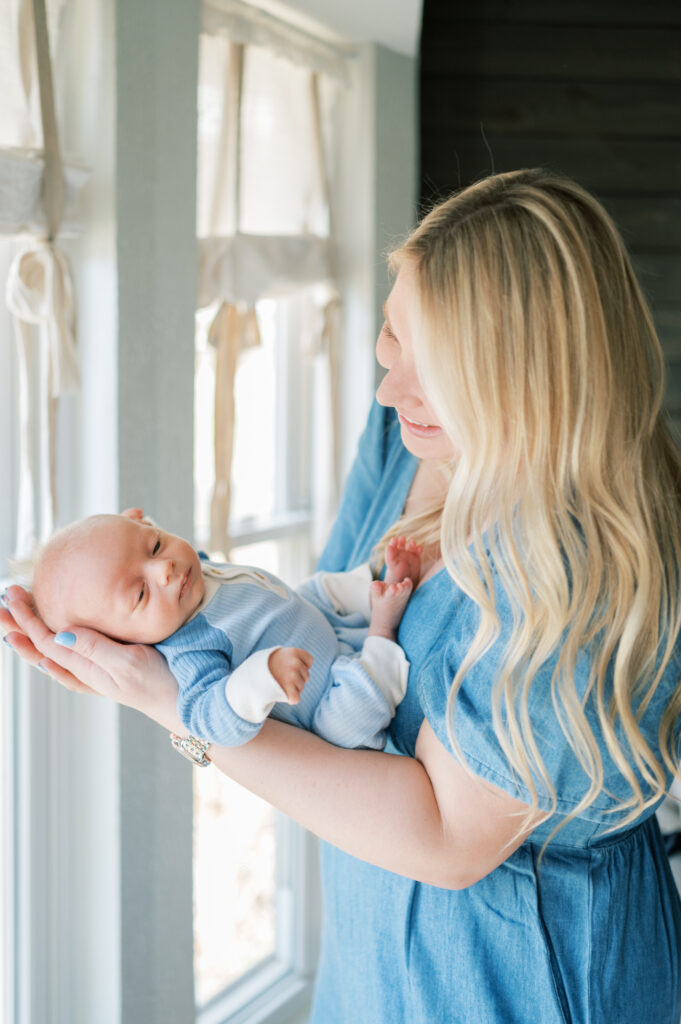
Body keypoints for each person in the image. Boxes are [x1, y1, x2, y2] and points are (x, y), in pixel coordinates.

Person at [3, 167, 681, 1022]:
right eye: (389, 343)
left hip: (520, 977)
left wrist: (175, 706)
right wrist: (152, 639)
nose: (387, 390)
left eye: (428, 371)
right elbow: (313, 633)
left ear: (530, 388)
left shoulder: (583, 563)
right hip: (370, 958)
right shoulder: (407, 440)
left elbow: (441, 835)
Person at [25, 509, 421, 749]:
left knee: (312, 591)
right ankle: (384, 622)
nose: (164, 569)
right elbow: (207, 717)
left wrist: (131, 531)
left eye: (155, 545)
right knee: (347, 721)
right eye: (141, 593)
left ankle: (375, 588)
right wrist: (262, 677)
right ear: (120, 643)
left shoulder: (194, 575)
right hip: (329, 703)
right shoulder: (190, 649)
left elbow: (143, 538)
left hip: (323, 631)